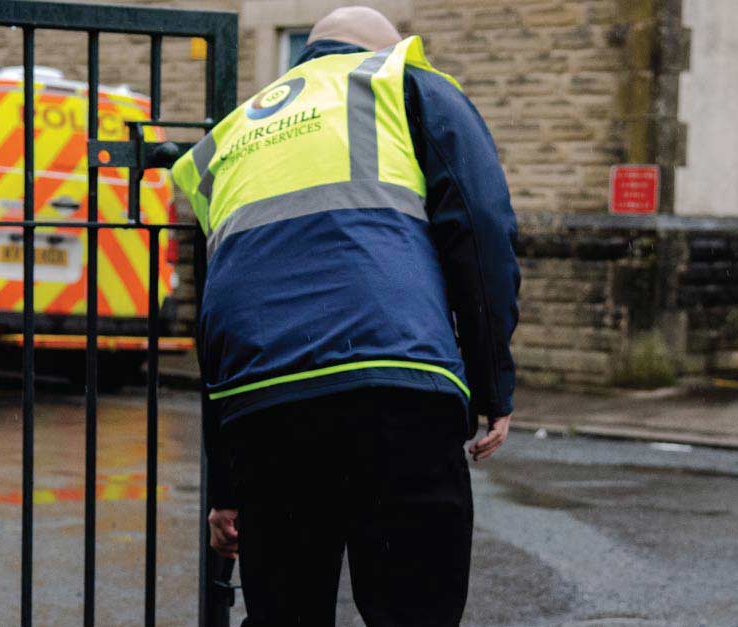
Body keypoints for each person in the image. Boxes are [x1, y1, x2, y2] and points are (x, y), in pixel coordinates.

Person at [171, 6, 520, 625]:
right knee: (413, 609)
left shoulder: (231, 138)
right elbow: (478, 226)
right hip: (393, 387)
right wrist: (492, 382)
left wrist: (226, 487)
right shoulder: (400, 82)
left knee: (285, 612)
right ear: (386, 46)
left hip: (264, 404)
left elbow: (219, 313)